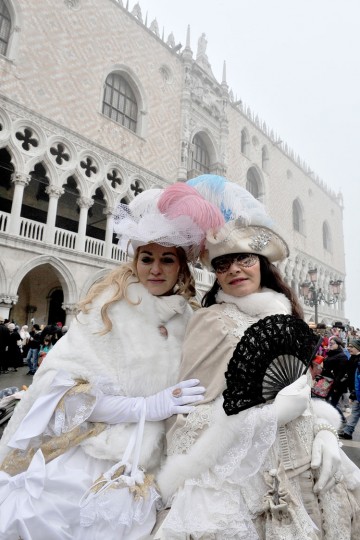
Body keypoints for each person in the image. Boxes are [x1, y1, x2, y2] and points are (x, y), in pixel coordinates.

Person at [0, 183, 224, 539]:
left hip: (149, 470)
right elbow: (62, 396)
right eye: (146, 257)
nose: (155, 269)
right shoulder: (107, 309)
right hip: (90, 460)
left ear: (181, 266)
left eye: (167, 259)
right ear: (135, 259)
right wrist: (147, 406)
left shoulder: (190, 321)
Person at [156, 174, 360, 540]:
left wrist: (326, 431)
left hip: (305, 465)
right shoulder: (213, 321)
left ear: (262, 263)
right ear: (216, 274)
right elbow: (186, 414)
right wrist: (268, 416)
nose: (234, 269)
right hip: (246, 479)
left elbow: (303, 398)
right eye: (223, 264)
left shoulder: (284, 317)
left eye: (244, 258)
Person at [322, 336, 349, 424]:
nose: (330, 345)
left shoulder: (342, 356)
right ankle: (339, 418)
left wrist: (336, 385)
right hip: (327, 381)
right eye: (330, 343)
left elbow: (341, 373)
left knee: (333, 403)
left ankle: (339, 419)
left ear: (338, 344)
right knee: (329, 401)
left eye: (332, 343)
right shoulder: (331, 353)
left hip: (337, 383)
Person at [339, 338, 360, 440]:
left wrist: (354, 393)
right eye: (349, 346)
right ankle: (348, 431)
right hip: (355, 390)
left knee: (356, 411)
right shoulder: (352, 358)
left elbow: (357, 379)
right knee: (355, 412)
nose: (349, 348)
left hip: (357, 391)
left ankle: (348, 431)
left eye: (352, 347)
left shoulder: (358, 360)